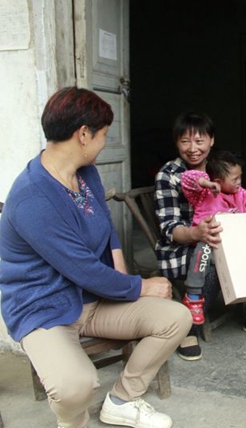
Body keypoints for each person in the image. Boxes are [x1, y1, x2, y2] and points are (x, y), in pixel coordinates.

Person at [0, 87, 191, 428]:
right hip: (46, 308)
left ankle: (121, 400)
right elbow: (83, 269)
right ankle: (73, 423)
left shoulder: (85, 173)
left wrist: (121, 277)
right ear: (84, 134)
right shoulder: (32, 198)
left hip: (95, 299)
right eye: (103, 134)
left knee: (176, 317)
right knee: (75, 386)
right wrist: (140, 286)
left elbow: (105, 226)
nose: (104, 143)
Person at [155, 111, 246, 361]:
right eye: (185, 141)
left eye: (199, 140)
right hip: (183, 248)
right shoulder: (169, 174)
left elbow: (242, 196)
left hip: (222, 241)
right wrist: (196, 232)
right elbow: (169, 228)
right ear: (176, 142)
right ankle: (188, 327)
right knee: (212, 258)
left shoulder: (220, 166)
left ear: (211, 140)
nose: (193, 149)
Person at [180, 149, 246, 326]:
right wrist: (206, 183)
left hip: (236, 245)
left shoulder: (241, 193)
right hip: (210, 242)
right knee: (202, 254)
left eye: (240, 177)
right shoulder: (204, 193)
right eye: (234, 179)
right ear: (217, 181)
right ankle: (193, 297)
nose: (239, 182)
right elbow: (187, 178)